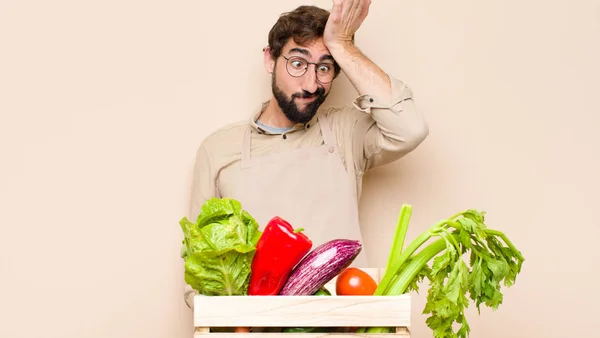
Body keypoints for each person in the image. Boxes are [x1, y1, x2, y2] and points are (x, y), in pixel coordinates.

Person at [184, 0, 429, 307]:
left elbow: (410, 128)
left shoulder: (346, 131)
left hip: (342, 325)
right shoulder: (218, 148)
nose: (311, 84)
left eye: (325, 67)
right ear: (270, 60)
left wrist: (342, 45)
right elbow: (198, 273)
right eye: (298, 64)